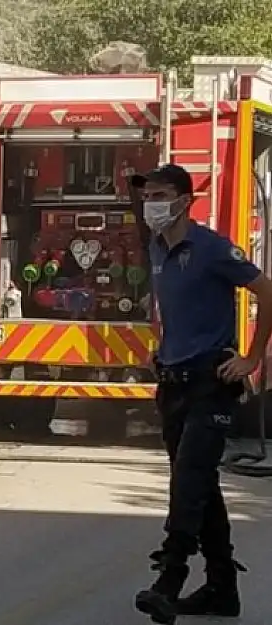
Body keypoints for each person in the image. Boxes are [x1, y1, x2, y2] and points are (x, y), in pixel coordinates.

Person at [131, 164, 272, 624]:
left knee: (189, 481)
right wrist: (161, 347)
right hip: (173, 384)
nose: (151, 202)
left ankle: (168, 581)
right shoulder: (156, 248)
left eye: (160, 194)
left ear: (185, 201)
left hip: (212, 385)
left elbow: (267, 291)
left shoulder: (211, 249)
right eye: (147, 194)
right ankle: (221, 590)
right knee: (203, 488)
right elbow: (171, 306)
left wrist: (252, 358)